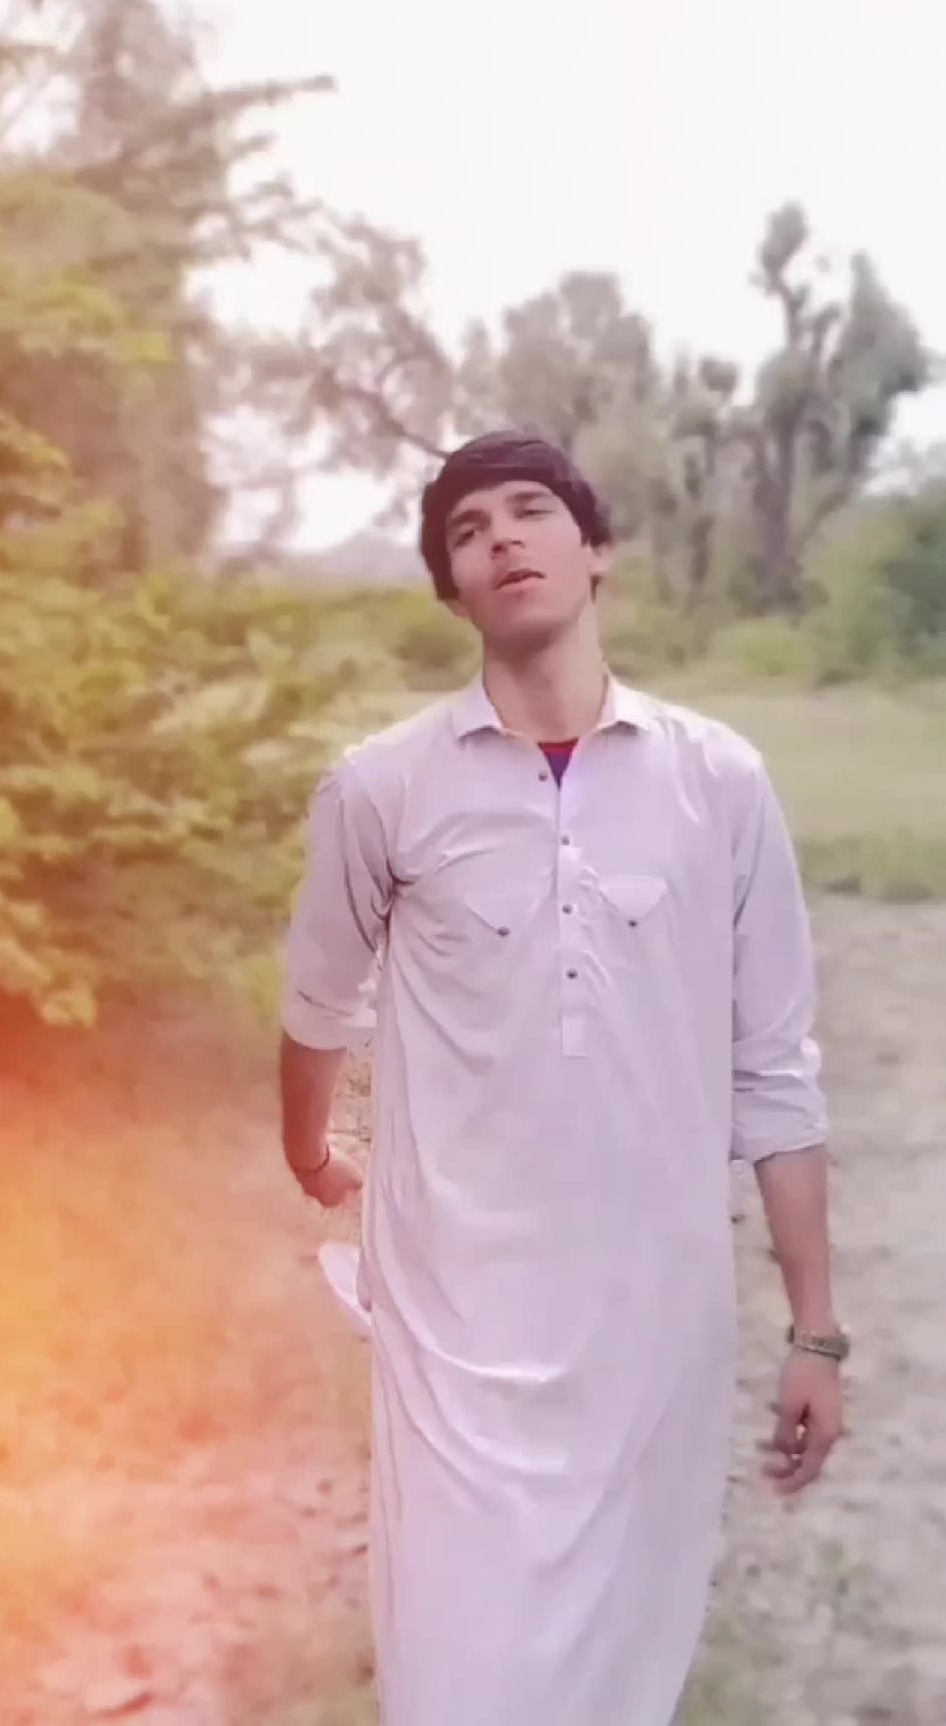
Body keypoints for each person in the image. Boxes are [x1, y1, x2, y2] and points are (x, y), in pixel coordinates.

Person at [279, 430, 847, 1726]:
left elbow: (777, 1070)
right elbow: (317, 1006)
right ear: (453, 591)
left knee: (615, 1683)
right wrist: (312, 1153)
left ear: (596, 553)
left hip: (654, 1327)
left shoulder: (718, 783)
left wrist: (816, 1331)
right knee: (453, 1678)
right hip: (451, 1320)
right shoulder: (382, 788)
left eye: (530, 511)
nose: (502, 539)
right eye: (468, 531)